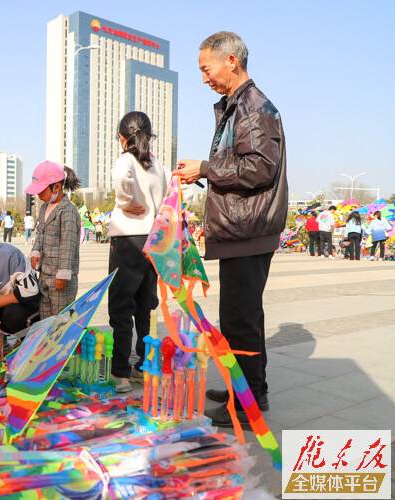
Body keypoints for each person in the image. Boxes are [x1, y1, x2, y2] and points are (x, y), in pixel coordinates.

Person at [174, 31, 288, 425]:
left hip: (249, 228)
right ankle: (248, 388)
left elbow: (259, 168)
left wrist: (205, 168)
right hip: (242, 227)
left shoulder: (254, 108)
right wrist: (203, 174)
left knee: (239, 318)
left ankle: (248, 404)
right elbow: (240, 166)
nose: (204, 78)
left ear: (231, 62)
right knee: (242, 316)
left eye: (206, 69)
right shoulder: (236, 107)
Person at [109, 111, 193, 393]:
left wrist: (125, 200)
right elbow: (183, 191)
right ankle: (143, 366)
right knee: (146, 306)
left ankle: (120, 373)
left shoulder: (126, 159)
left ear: (123, 138)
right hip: (155, 240)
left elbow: (121, 177)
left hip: (128, 240)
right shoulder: (158, 164)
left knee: (121, 307)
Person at [26, 161, 81, 320]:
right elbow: (40, 234)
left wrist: (63, 274)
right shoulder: (44, 207)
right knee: (45, 318)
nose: (38, 195)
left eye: (41, 191)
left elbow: (68, 244)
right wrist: (35, 251)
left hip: (59, 278)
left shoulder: (68, 211)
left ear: (56, 187)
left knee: (60, 320)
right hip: (45, 274)